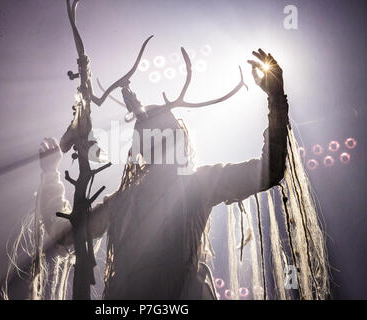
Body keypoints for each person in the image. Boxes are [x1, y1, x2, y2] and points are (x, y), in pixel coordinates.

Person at [37, 49, 289, 299]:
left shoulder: (199, 184)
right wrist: (50, 174)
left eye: (162, 136)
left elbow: (269, 171)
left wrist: (276, 99)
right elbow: (66, 235)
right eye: (149, 138)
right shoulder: (125, 200)